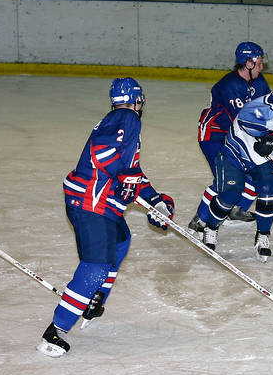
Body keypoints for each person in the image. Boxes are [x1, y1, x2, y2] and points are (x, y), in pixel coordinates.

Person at [37, 78, 175, 358]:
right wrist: (123, 176)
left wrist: (155, 201)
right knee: (96, 267)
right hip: (91, 204)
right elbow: (101, 151)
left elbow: (131, 171)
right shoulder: (127, 117)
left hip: (98, 204)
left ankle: (94, 299)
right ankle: (55, 332)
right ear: (138, 100)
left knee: (121, 241)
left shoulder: (118, 120)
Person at [193, 69, 273, 262]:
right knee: (231, 193)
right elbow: (245, 115)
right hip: (237, 151)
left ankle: (263, 236)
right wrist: (265, 136)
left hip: (262, 159)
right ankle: (211, 228)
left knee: (268, 190)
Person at [189, 42, 271, 247]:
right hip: (214, 135)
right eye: (259, 62)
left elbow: (268, 108)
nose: (262, 66)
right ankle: (199, 221)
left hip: (237, 134)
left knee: (256, 171)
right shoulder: (229, 86)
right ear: (248, 63)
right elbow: (244, 120)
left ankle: (235, 208)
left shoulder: (259, 81)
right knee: (226, 180)